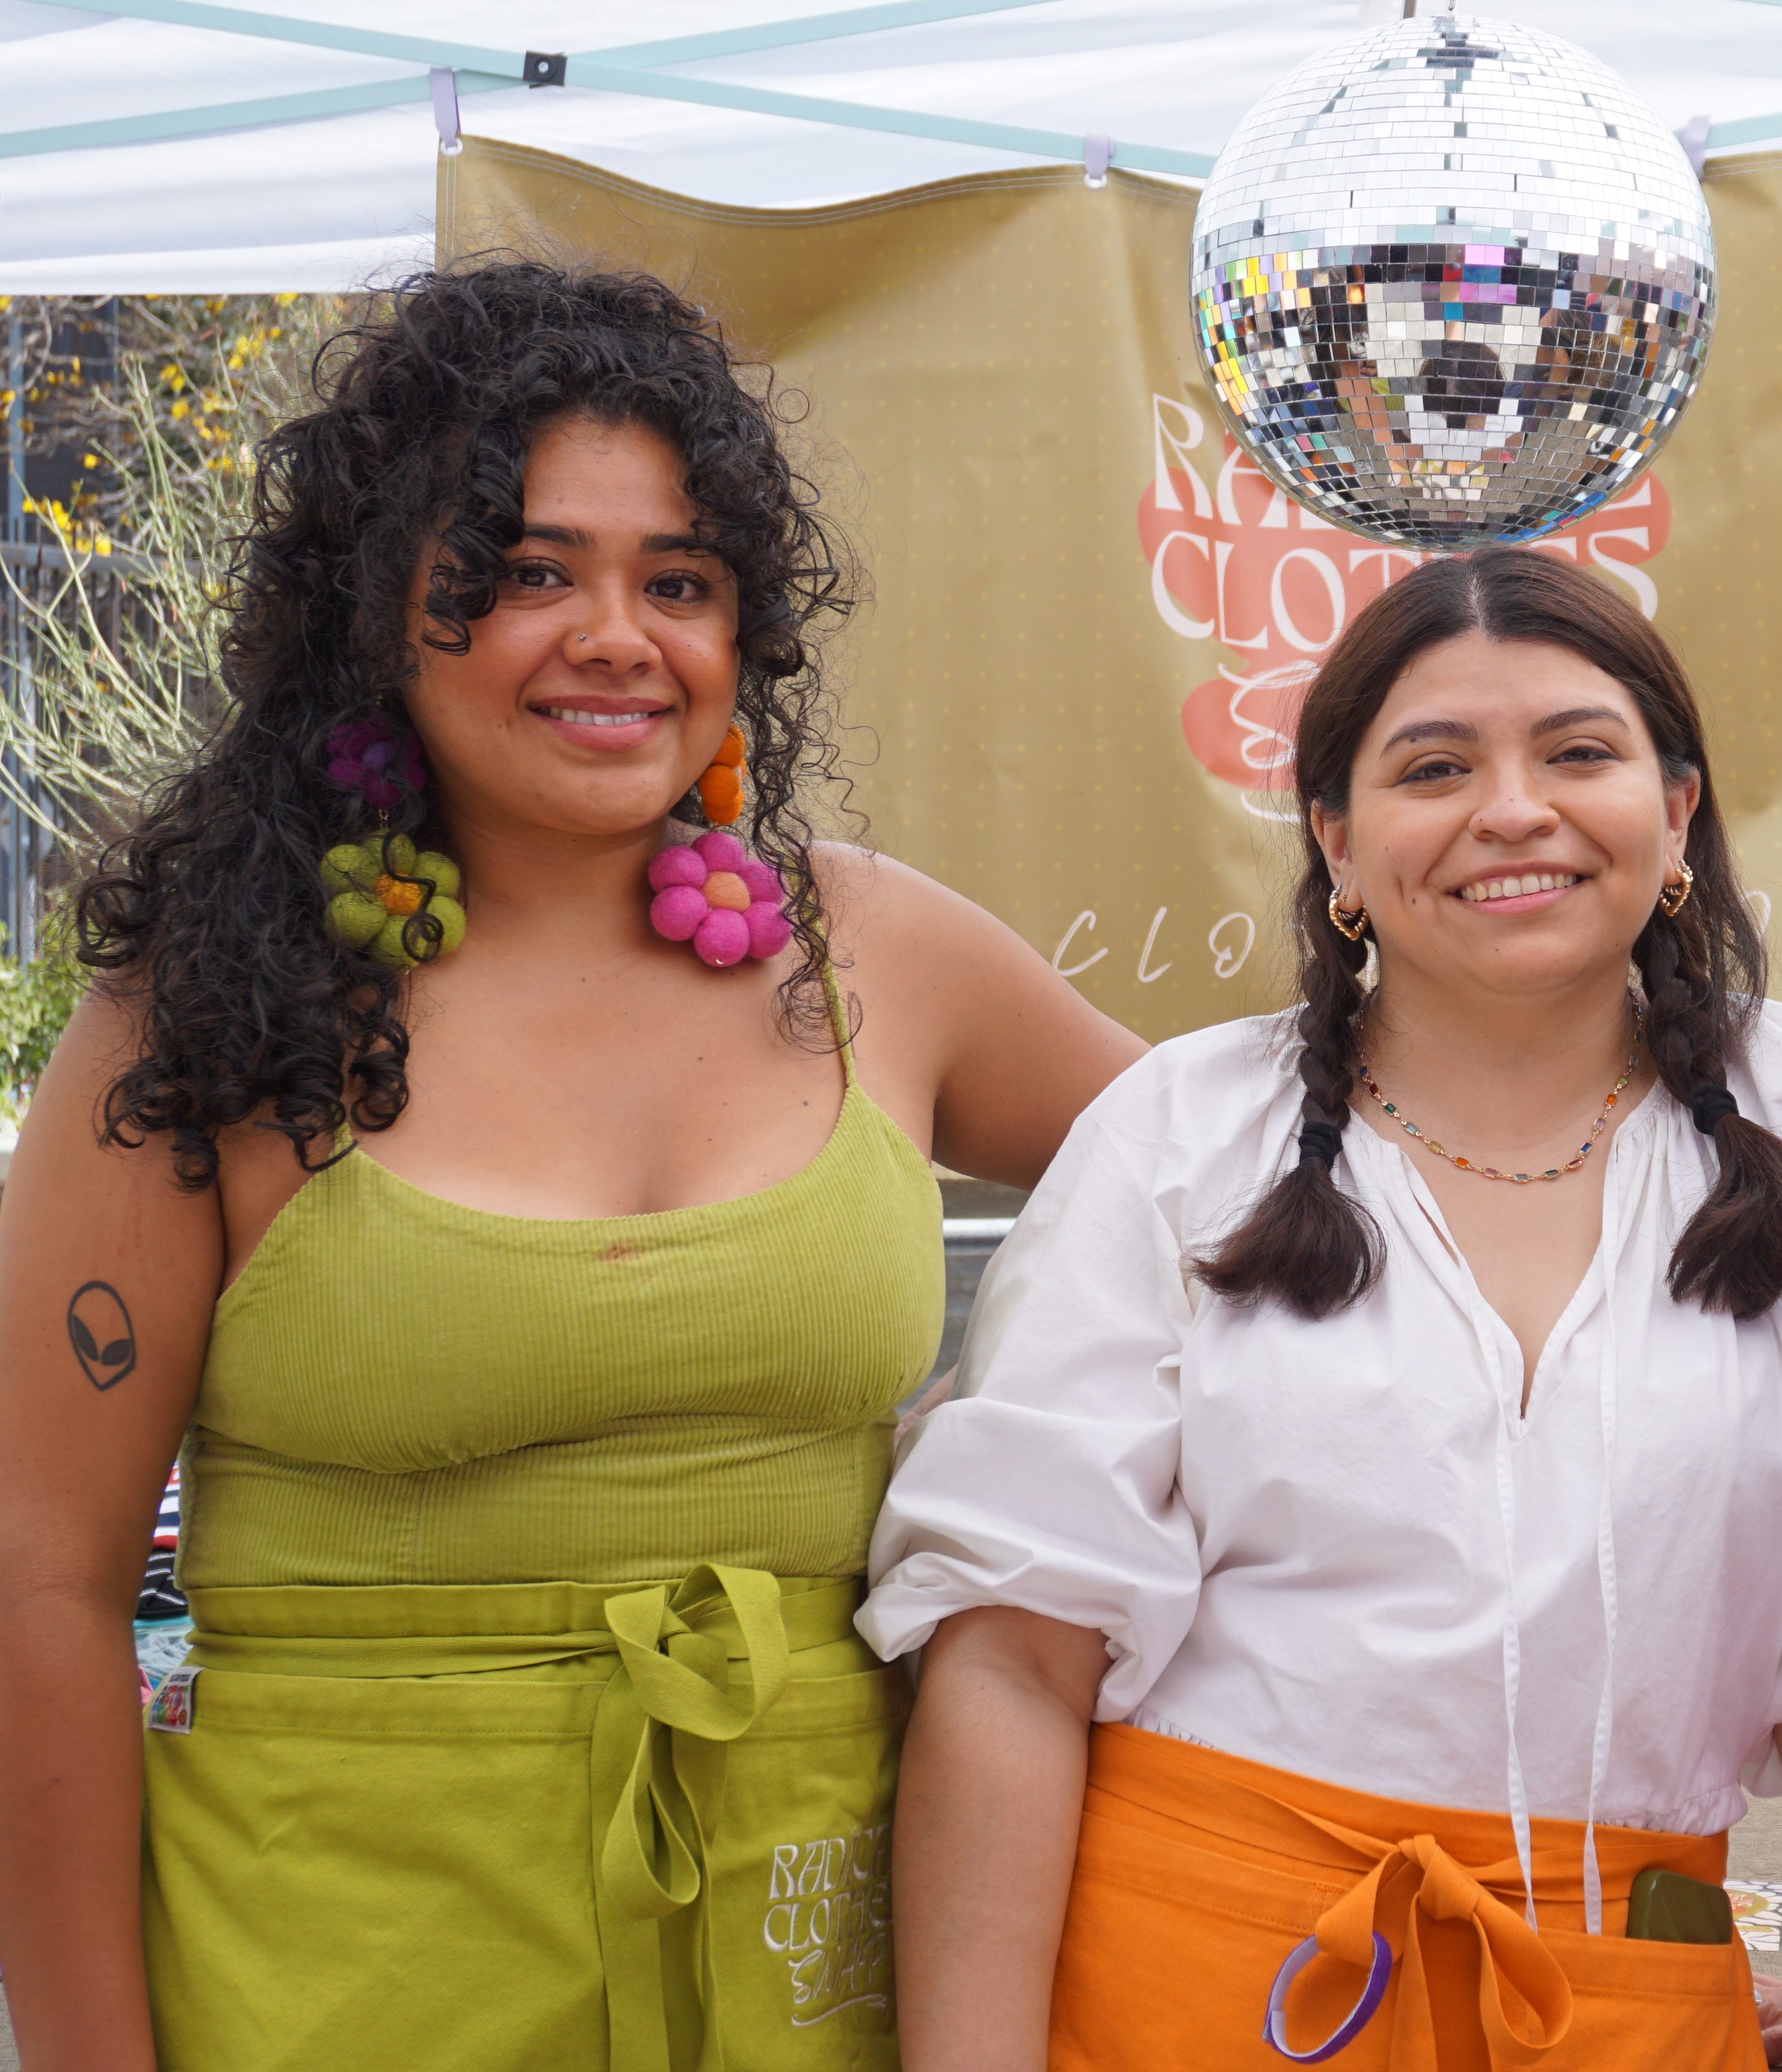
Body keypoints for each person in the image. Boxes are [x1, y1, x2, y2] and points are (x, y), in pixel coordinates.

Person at [0, 264, 1141, 2072]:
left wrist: (1007, 1476)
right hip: (337, 1972)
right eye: (530, 572)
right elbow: (39, 1588)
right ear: (378, 612)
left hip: (820, 1950)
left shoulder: (878, 958)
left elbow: (1257, 1201)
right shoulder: (213, 1005)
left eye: (676, 582)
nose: (619, 635)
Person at [859, 547, 1782, 2071]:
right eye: (1433, 765)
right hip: (1206, 1989)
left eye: (1579, 751)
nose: (1511, 809)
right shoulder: (1181, 1129)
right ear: (1335, 838)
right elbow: (1014, 1656)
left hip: (1627, 2003)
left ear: (1679, 812)